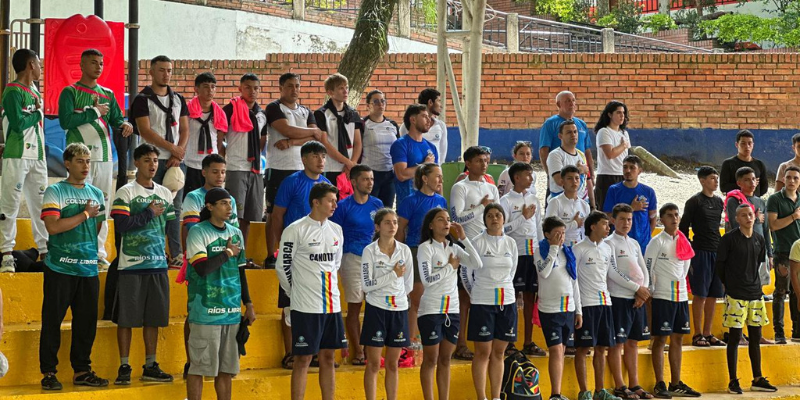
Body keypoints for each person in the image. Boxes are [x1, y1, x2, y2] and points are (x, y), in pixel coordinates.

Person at [39, 143, 108, 390]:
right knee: (52, 321)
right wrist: (85, 215)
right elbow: (54, 227)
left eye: (88, 161)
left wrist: (87, 220)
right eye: (80, 161)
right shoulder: (54, 191)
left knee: (86, 323)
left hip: (88, 267)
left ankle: (82, 371)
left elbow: (98, 229)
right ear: (67, 163)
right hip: (60, 267)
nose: (86, 166)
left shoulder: (97, 193)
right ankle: (48, 372)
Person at [57, 48, 133, 271]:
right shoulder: (69, 92)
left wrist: (125, 124)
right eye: (93, 62)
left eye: (101, 63)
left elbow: (117, 119)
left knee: (101, 206)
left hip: (104, 157)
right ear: (81, 65)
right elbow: (65, 121)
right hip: (80, 158)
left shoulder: (108, 94)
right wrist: (95, 112)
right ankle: (75, 249)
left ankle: (98, 253)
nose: (98, 66)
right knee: (76, 205)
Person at [110, 143, 175, 384]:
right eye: (147, 160)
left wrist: (173, 253)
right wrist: (148, 212)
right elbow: (122, 226)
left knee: (153, 318)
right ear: (136, 162)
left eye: (155, 161)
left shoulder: (165, 193)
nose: (152, 165)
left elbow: (170, 227)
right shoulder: (125, 192)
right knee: (127, 319)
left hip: (157, 265)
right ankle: (124, 366)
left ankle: (150, 365)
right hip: (131, 265)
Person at [276, 182, 347, 400]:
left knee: (328, 358)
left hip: (332, 305)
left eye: (336, 200)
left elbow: (335, 265)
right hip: (305, 306)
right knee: (303, 359)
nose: (335, 204)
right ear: (316, 202)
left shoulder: (337, 230)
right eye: (330, 200)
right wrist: (294, 293)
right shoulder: (295, 229)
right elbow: (283, 266)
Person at [185, 188, 255, 400]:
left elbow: (240, 271)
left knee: (226, 370)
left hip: (232, 312)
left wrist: (248, 304)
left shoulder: (236, 233)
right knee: (198, 368)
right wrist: (227, 253)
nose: (229, 208)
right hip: (205, 313)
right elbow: (202, 268)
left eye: (230, 203)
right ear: (210, 206)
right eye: (223, 203)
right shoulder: (198, 232)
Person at [269, 140, 331, 369]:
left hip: (317, 255)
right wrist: (279, 246)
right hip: (293, 253)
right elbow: (277, 216)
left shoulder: (327, 184)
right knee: (289, 305)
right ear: (304, 158)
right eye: (316, 156)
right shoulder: (291, 182)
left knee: (315, 305)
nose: (321, 160)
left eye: (323, 156)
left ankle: (312, 352)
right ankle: (290, 352)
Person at [574, 211, 647, 400]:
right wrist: (578, 308)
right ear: (593, 226)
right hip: (587, 303)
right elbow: (572, 280)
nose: (608, 227)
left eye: (608, 224)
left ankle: (600, 391)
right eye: (605, 224)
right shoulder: (579, 248)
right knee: (583, 349)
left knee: (602, 348)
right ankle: (584, 392)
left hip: (605, 302)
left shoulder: (606, 249)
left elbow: (612, 272)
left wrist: (639, 289)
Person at [179, 153, 238, 377]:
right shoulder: (194, 196)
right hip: (199, 257)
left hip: (225, 263)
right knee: (196, 309)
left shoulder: (229, 199)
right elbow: (191, 229)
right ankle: (190, 360)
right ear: (204, 172)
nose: (220, 175)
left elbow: (234, 233)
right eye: (215, 171)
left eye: (223, 171)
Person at [130, 55, 189, 268]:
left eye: (169, 70)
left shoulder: (179, 99)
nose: (166, 74)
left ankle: (176, 254)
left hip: (175, 162)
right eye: (162, 70)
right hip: (152, 159)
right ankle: (151, 251)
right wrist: (172, 148)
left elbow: (184, 129)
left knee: (175, 208)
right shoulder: (142, 99)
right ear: (151, 72)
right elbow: (146, 130)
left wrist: (178, 152)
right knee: (149, 205)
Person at [416, 208, 481, 400]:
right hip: (431, 309)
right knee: (430, 359)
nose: (446, 223)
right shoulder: (425, 248)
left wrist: (463, 238)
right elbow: (427, 280)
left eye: (448, 220)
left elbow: (477, 264)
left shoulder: (454, 248)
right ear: (430, 225)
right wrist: (449, 268)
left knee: (445, 359)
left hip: (451, 310)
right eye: (440, 219)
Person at [263, 72, 322, 268]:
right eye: (289, 86)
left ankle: (302, 250)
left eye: (297, 86)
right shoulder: (273, 108)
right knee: (273, 212)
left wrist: (292, 142)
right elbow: (286, 128)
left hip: (301, 169)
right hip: (278, 168)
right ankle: (273, 254)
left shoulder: (306, 111)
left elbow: (316, 137)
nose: (294, 90)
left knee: (302, 210)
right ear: (280, 88)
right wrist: (306, 133)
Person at [717, 204, 777, 394]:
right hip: (736, 295)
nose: (748, 218)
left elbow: (759, 265)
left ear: (755, 216)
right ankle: (733, 380)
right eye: (743, 215)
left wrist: (756, 288)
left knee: (756, 337)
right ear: (736, 218)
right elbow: (720, 266)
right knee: (735, 337)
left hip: (755, 295)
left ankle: (757, 378)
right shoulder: (729, 239)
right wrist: (729, 285)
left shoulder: (759, 239)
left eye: (750, 214)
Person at [462, 204, 518, 400]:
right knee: (483, 352)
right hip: (482, 302)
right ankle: (482, 397)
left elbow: (512, 272)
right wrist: (475, 294)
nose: (494, 219)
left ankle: (495, 397)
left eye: (498, 215)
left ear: (504, 219)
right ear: (484, 220)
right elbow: (466, 272)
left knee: (499, 353)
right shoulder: (476, 242)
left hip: (507, 302)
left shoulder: (511, 243)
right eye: (490, 216)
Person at [330, 164, 384, 365]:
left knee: (375, 305)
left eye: (371, 179)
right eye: (365, 179)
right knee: (355, 305)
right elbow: (335, 234)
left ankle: (372, 348)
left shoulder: (378, 204)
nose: (370, 183)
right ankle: (359, 350)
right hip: (352, 258)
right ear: (353, 182)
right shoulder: (343, 207)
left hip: (375, 259)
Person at [0, 49, 48, 272]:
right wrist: (38, 113)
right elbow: (18, 124)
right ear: (30, 64)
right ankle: (6, 253)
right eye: (38, 63)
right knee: (10, 204)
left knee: (42, 205)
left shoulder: (35, 91)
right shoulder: (12, 91)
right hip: (17, 154)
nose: (41, 67)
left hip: (37, 156)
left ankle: (46, 251)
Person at [646, 203, 701, 398]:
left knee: (678, 338)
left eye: (676, 215)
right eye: (669, 215)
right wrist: (651, 291)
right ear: (661, 219)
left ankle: (675, 382)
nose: (674, 218)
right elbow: (648, 266)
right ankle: (660, 383)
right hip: (662, 296)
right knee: (660, 339)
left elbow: (685, 267)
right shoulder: (656, 242)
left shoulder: (684, 240)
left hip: (681, 296)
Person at [450, 145, 499, 360]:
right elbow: (457, 218)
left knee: (488, 295)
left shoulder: (492, 187)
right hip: (466, 246)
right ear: (468, 163)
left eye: (486, 160)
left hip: (489, 247)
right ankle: (460, 344)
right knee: (464, 299)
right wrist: (481, 207)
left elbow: (497, 217)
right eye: (479, 160)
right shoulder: (460, 187)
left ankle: (490, 344)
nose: (484, 163)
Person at [360, 208, 414, 400]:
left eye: (395, 222)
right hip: (376, 309)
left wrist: (395, 290)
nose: (392, 226)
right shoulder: (369, 251)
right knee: (374, 364)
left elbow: (407, 284)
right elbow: (367, 285)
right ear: (377, 227)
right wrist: (392, 275)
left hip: (398, 310)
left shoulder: (404, 250)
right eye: (387, 222)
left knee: (393, 364)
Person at [397, 163, 447, 354]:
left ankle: (432, 339)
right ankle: (410, 341)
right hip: (416, 250)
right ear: (424, 178)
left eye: (441, 177)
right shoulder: (410, 201)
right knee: (417, 299)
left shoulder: (441, 200)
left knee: (435, 297)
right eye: (437, 176)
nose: (441, 181)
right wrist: (400, 254)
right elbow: (401, 229)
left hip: (437, 253)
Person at [606, 204, 653, 400]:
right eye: (622, 219)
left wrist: (643, 292)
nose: (626, 223)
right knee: (618, 344)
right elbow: (612, 272)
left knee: (633, 343)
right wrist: (636, 289)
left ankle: (634, 384)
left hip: (637, 299)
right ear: (613, 220)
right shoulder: (609, 243)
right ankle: (620, 385)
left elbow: (643, 270)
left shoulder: (633, 243)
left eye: (629, 219)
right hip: (619, 298)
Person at [499, 162, 545, 356]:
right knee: (512, 298)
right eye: (527, 175)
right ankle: (509, 342)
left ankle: (528, 341)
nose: (531, 178)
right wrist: (522, 217)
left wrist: (542, 250)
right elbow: (503, 229)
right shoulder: (506, 201)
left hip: (532, 254)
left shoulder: (534, 198)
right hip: (514, 254)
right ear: (516, 177)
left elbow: (539, 228)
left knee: (530, 297)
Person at [222, 73, 267, 265]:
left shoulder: (261, 114)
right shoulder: (231, 109)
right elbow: (220, 135)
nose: (252, 91)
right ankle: (231, 254)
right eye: (248, 87)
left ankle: (243, 255)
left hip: (255, 170)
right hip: (236, 167)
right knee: (234, 216)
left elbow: (263, 139)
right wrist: (225, 156)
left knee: (249, 217)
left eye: (256, 88)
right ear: (240, 88)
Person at [535, 216, 581, 400]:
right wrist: (553, 248)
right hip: (549, 308)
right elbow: (544, 272)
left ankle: (558, 391)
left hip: (568, 307)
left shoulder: (568, 252)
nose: (561, 237)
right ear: (547, 234)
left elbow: (574, 282)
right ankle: (555, 393)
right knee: (554, 349)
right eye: (556, 234)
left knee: (561, 350)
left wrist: (579, 310)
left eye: (562, 233)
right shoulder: (540, 251)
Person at [679, 166, 726, 347]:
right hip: (700, 252)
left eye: (717, 178)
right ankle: (697, 333)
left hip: (716, 251)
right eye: (712, 178)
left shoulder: (719, 202)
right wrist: (691, 250)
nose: (716, 181)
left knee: (714, 294)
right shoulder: (694, 202)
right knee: (700, 294)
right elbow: (683, 228)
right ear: (702, 180)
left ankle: (708, 332)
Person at [726, 166, 773, 345]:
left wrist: (769, 252)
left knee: (757, 296)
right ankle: (738, 335)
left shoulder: (760, 202)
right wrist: (753, 218)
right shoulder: (734, 201)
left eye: (754, 179)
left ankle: (756, 333)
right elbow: (734, 224)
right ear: (739, 183)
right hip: (740, 252)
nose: (751, 183)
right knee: (739, 295)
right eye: (747, 180)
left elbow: (766, 229)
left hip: (758, 250)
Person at [539, 90, 594, 198]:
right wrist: (550, 174)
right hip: (560, 173)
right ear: (559, 104)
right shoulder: (550, 124)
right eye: (568, 101)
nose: (572, 103)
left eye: (573, 100)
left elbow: (587, 151)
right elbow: (543, 150)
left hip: (580, 175)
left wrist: (591, 174)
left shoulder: (581, 124)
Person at [767, 166, 800, 343]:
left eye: (796, 178)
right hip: (782, 250)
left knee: (798, 292)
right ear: (783, 179)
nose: (792, 181)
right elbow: (773, 225)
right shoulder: (775, 199)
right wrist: (794, 216)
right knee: (781, 291)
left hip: (799, 253)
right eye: (789, 178)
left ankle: (797, 330)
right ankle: (779, 332)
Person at [183, 72, 227, 197]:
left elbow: (219, 140)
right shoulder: (186, 110)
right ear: (196, 89)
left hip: (210, 164)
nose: (210, 90)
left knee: (210, 200)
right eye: (206, 86)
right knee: (191, 199)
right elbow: (181, 133)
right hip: (190, 162)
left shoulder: (219, 113)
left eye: (213, 87)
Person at [603, 155, 657, 252]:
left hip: (643, 244)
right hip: (619, 244)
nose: (628, 170)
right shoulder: (614, 190)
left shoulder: (649, 191)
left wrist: (646, 238)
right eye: (625, 167)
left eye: (632, 167)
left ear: (639, 171)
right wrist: (631, 208)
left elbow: (653, 218)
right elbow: (607, 218)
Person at [315, 73, 362, 183]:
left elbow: (358, 142)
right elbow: (325, 143)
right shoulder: (321, 113)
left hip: (349, 169)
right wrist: (347, 162)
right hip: (330, 167)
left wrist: (352, 164)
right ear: (330, 92)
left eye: (346, 87)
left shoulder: (353, 113)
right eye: (341, 88)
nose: (345, 91)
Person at [391, 104, 437, 206]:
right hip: (408, 206)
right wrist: (424, 165)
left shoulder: (431, 147)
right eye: (425, 116)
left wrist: (441, 203)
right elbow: (401, 175)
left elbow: (437, 179)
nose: (429, 120)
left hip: (429, 205)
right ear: (413, 120)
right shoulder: (400, 144)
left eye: (429, 117)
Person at [361, 89, 400, 207]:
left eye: (383, 101)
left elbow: (398, 148)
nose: (380, 104)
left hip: (389, 174)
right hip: (370, 174)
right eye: (376, 101)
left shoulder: (392, 125)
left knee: (386, 209)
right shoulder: (363, 124)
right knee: (370, 209)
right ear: (368, 106)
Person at [594, 101, 631, 212]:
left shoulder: (624, 133)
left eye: (623, 113)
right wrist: (622, 145)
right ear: (610, 114)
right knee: (606, 210)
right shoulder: (604, 132)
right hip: (607, 175)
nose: (622, 116)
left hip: (622, 174)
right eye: (618, 113)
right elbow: (610, 154)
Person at [546, 120, 592, 205]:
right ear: (560, 136)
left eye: (575, 132)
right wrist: (579, 170)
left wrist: (593, 206)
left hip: (582, 202)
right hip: (562, 203)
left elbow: (587, 182)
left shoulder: (581, 155)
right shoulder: (555, 155)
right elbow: (559, 181)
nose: (573, 135)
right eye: (569, 132)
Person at [545, 165, 590, 247]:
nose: (574, 181)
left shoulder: (585, 205)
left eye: (577, 178)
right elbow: (550, 229)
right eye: (569, 178)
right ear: (562, 181)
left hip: (579, 249)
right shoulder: (555, 202)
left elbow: (585, 232)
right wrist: (574, 224)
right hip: (560, 248)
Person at [400, 88, 448, 164]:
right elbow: (403, 150)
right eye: (439, 101)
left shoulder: (441, 125)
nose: (441, 105)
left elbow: (442, 151)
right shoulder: (408, 126)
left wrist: (436, 169)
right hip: (414, 171)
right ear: (430, 102)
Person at [719, 130, 768, 196]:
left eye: (749, 143)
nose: (747, 146)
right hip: (736, 202)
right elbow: (723, 187)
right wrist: (746, 185)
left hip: (754, 203)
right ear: (737, 145)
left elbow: (764, 188)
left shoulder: (759, 164)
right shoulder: (728, 164)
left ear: (753, 145)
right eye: (743, 143)